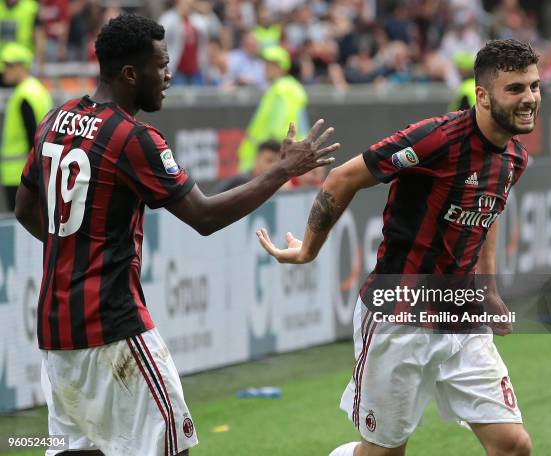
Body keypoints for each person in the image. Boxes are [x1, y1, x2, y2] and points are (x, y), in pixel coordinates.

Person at [14, 13, 339, 456]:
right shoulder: (133, 137)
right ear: (131, 74)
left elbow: (24, 209)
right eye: (160, 65)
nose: (168, 74)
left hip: (56, 335)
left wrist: (74, 252)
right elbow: (203, 217)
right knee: (169, 447)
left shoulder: (56, 120)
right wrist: (282, 171)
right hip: (113, 329)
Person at [257, 39, 538, 456]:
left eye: (534, 86)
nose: (530, 98)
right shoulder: (435, 138)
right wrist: (308, 250)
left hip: (460, 316)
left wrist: (489, 289)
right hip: (399, 315)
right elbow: (343, 178)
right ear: (482, 95)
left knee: (514, 446)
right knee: (385, 452)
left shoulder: (514, 156)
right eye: (515, 89)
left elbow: (489, 209)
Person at [237, 45, 308, 172]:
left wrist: (269, 159)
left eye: (270, 65)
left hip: (268, 160)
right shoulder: (288, 88)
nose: (265, 68)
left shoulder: (281, 90)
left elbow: (277, 128)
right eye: (265, 64)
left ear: (281, 67)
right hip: (274, 159)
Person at [0, 42, 51, 211]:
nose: (4, 70)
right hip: (33, 173)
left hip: (19, 174)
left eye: (9, 65)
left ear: (22, 66)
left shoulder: (24, 95)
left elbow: (32, 137)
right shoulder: (37, 90)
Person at [213, 139, 281, 193]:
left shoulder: (279, 186)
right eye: (269, 160)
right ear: (257, 158)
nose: (273, 166)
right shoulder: (238, 182)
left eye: (277, 162)